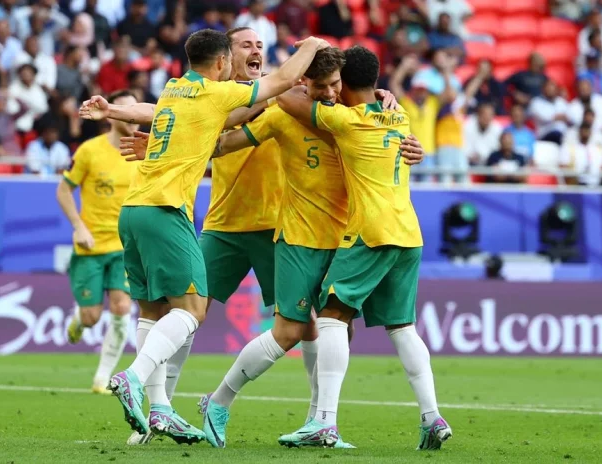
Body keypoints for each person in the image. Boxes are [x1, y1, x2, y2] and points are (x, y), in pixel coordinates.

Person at [119, 49, 426, 449]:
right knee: (282, 328)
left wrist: (410, 139)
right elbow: (224, 143)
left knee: (335, 327)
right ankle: (193, 405)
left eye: (336, 85)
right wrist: (167, 147)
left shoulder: (358, 114)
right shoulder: (283, 113)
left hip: (346, 238)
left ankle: (321, 421)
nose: (331, 93)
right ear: (304, 84)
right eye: (322, 86)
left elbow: (391, 140)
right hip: (295, 237)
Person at [79, 29, 331, 445]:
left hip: (269, 223)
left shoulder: (186, 90)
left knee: (299, 323)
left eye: (259, 45)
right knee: (188, 311)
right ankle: (149, 392)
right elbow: (270, 92)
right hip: (213, 223)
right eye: (245, 45)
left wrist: (120, 113)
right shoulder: (225, 93)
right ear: (224, 59)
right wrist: (312, 44)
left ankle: (318, 417)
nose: (255, 50)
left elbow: (163, 112)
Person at [274, 46, 451, 450]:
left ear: (343, 82)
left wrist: (301, 73)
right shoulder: (399, 114)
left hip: (370, 231)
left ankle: (324, 421)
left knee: (333, 315)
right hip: (408, 233)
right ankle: (431, 416)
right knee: (402, 326)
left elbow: (284, 96)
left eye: (335, 82)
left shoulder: (345, 120)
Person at [57, 91, 139, 395]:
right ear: (113, 115)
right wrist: (78, 227)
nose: (134, 118)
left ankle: (102, 380)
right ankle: (79, 320)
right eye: (128, 112)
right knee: (92, 317)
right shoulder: (90, 151)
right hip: (90, 247)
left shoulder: (142, 151)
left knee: (121, 307)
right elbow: (63, 191)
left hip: (124, 247)